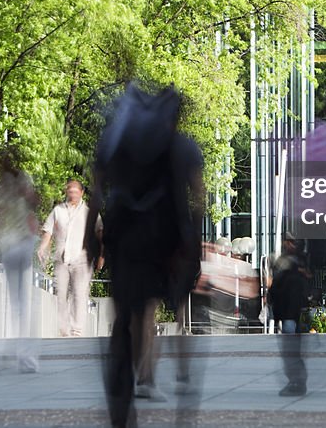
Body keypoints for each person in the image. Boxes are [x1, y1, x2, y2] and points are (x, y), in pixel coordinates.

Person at [90, 83, 204, 428]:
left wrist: (90, 241)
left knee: (125, 318)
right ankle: (154, 380)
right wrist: (194, 244)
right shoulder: (184, 146)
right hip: (166, 246)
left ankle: (122, 404)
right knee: (152, 313)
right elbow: (198, 198)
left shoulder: (117, 141)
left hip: (125, 244)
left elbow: (96, 191)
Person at [0, 146, 41, 375]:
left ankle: (3, 355)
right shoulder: (16, 182)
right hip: (21, 243)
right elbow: (35, 202)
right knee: (22, 302)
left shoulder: (1, 188)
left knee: (14, 302)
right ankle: (22, 357)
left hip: (12, 244)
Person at [37, 179, 101, 337]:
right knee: (61, 294)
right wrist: (43, 246)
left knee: (79, 294)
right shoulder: (58, 210)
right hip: (61, 258)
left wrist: (101, 255)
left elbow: (100, 234)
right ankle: (63, 329)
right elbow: (48, 230)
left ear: (82, 193)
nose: (72, 193)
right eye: (69, 191)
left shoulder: (90, 213)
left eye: (75, 191)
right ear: (66, 192)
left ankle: (77, 330)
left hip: (82, 259)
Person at [268, 232, 311, 395]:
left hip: (290, 314)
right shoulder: (292, 262)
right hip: (288, 313)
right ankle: (296, 381)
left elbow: (290, 290)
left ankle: (296, 382)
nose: (288, 244)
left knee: (291, 350)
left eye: (291, 242)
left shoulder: (292, 264)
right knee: (290, 350)